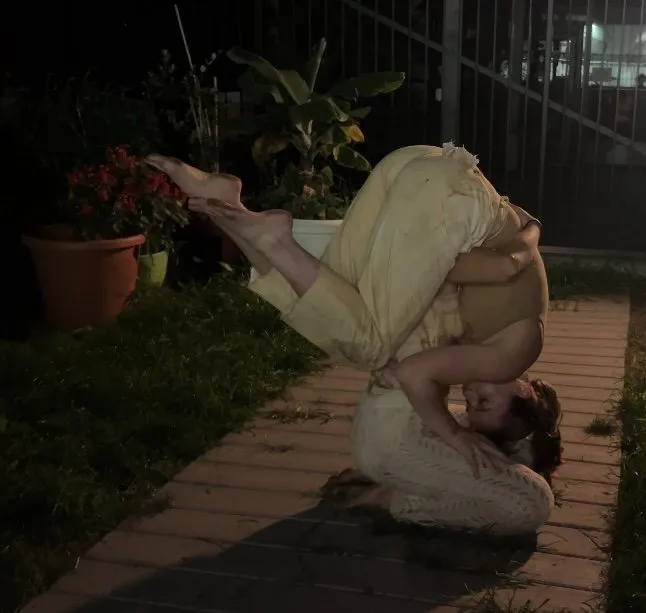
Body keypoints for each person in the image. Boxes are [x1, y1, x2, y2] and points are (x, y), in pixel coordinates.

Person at [147, 144, 562, 534]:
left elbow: (476, 259)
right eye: (484, 400)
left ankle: (228, 209)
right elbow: (498, 268)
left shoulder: (494, 329)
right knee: (371, 343)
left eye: (469, 406)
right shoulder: (511, 355)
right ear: (522, 386)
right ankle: (267, 236)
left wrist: (530, 232)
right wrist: (455, 436)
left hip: (418, 167)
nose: (468, 391)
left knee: (336, 291)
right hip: (450, 196)